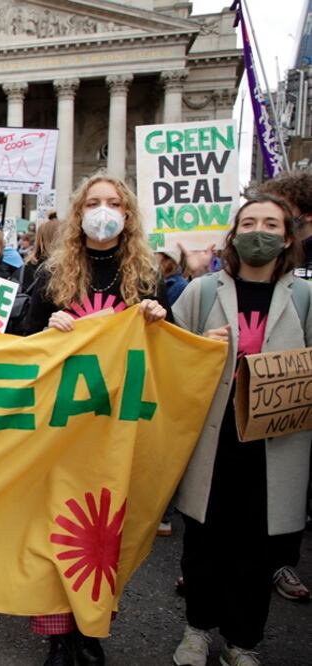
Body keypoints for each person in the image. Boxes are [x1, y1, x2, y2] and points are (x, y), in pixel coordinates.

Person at [20, 173, 168, 665]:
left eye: (113, 203)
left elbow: (168, 354)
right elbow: (22, 345)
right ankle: (58, 636)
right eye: (93, 203)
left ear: (127, 215)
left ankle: (91, 627)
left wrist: (158, 319)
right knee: (55, 527)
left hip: (116, 427)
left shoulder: (145, 278)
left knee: (102, 533)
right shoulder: (50, 275)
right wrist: (47, 326)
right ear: (78, 213)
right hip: (62, 425)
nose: (103, 211)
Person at [169, 193, 310, 666]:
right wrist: (197, 346)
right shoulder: (203, 291)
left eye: (270, 224)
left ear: (287, 238)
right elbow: (170, 358)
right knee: (203, 544)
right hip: (213, 442)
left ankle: (242, 641)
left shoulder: (304, 297)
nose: (258, 232)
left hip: (274, 446)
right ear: (234, 234)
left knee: (258, 552)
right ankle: (196, 631)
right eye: (249, 223)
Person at [253, 172, 312, 604]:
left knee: (291, 484)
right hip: (254, 397)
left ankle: (281, 562)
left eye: (277, 216)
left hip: (295, 398)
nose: (264, 227)